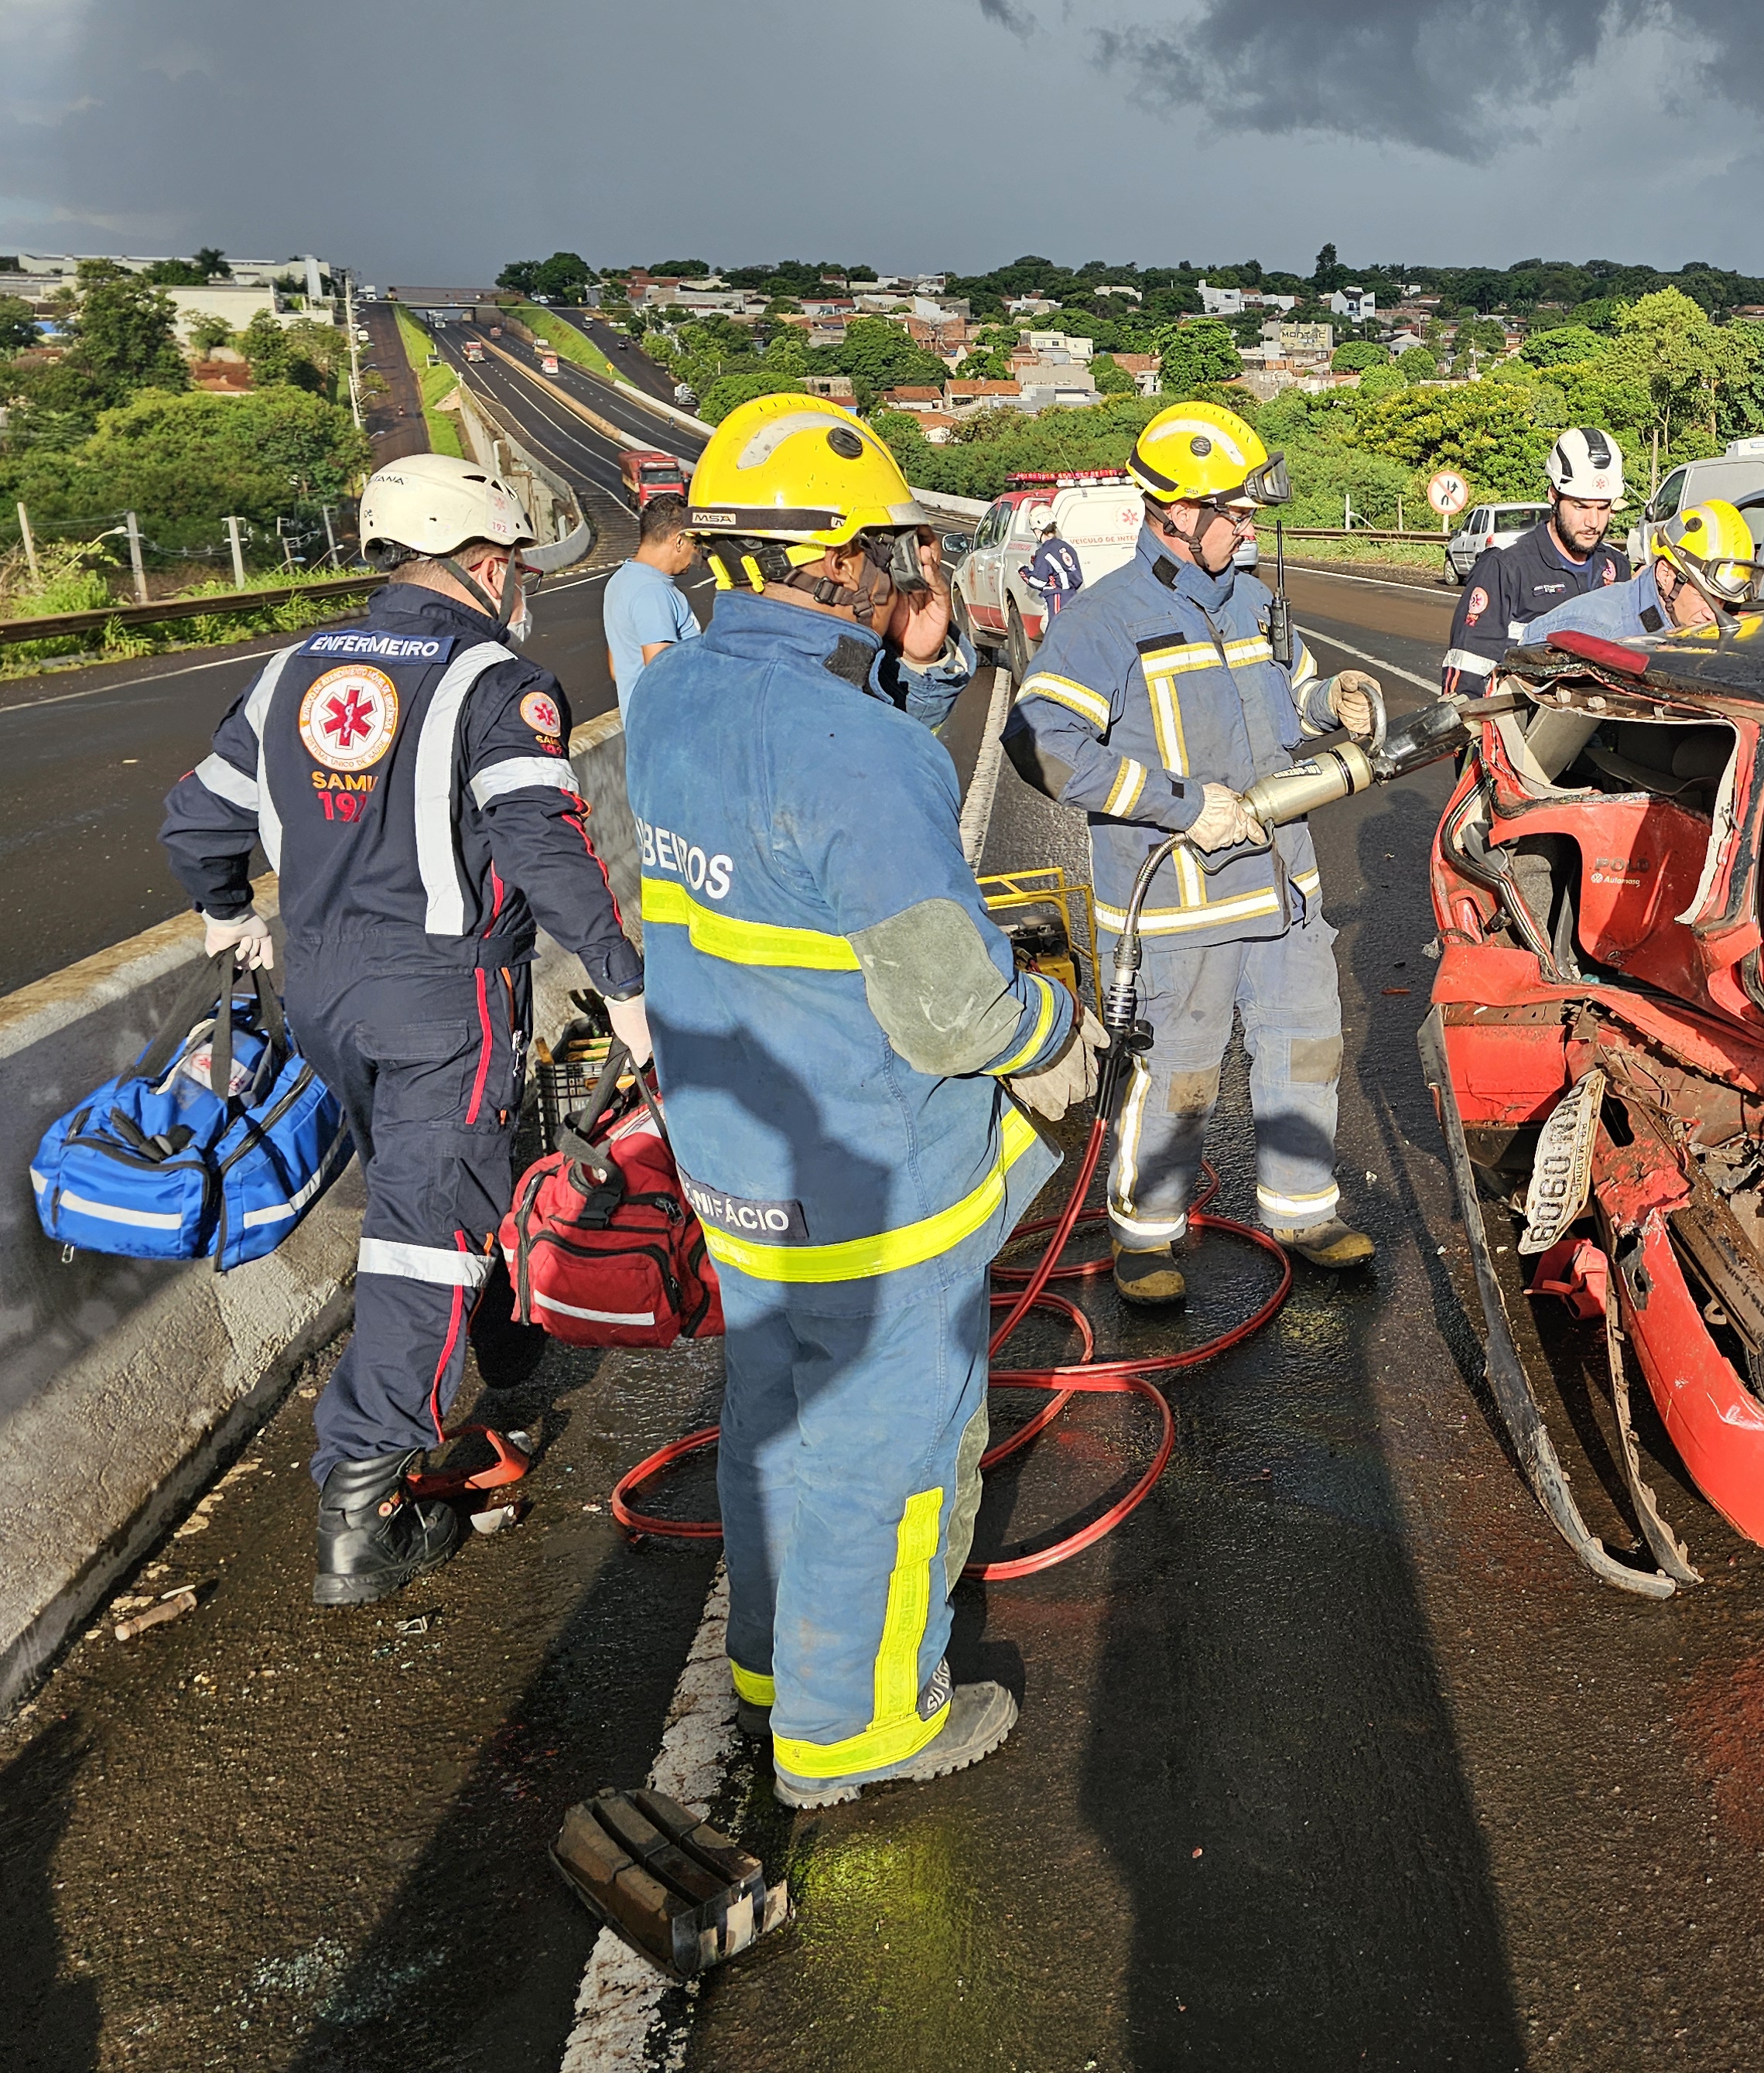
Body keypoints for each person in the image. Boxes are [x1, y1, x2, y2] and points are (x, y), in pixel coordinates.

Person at [627, 393, 1097, 1807]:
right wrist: (1053, 1032)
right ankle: (856, 1730)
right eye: (894, 549)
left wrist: (932, 669)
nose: (911, 569)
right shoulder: (856, 753)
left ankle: (773, 1667)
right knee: (889, 1453)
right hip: (869, 1168)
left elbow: (811, 771)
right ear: (843, 561)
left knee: (776, 1410)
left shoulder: (674, 691)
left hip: (733, 1152)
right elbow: (952, 1008)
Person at [159, 453, 649, 1605]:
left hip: (326, 989)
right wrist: (623, 983)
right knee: (426, 1223)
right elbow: (539, 840)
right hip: (445, 992)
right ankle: (363, 1500)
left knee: (433, 1183)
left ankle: (500, 1329)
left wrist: (232, 917)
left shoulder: (290, 672)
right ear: (486, 562)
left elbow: (199, 822)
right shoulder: (496, 680)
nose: (524, 585)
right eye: (518, 565)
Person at [1013, 399, 1383, 1301]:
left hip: (1282, 893)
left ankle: (1303, 1213)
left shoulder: (1253, 599)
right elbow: (1041, 742)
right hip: (1175, 905)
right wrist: (1181, 807)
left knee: (1304, 1052)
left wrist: (1336, 698)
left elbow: (1289, 691)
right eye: (1237, 511)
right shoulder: (1103, 619)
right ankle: (1146, 1235)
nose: (1250, 527)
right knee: (1178, 1077)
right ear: (1175, 512)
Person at [1441, 425, 1632, 692]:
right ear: (1553, 496)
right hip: (1529, 728)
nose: (1594, 521)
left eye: (1603, 507)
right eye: (1580, 506)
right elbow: (1467, 674)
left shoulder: (1616, 568)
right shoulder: (1505, 569)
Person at [1523, 498, 1757, 647]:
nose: (1713, 615)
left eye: (1722, 601)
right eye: (1703, 596)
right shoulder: (1592, 631)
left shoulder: (1690, 620)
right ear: (1666, 575)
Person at [602, 493, 699, 696]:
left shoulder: (619, 581)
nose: (697, 552)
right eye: (694, 543)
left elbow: (617, 669)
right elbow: (664, 677)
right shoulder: (653, 592)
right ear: (679, 542)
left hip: (639, 720)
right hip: (668, 724)